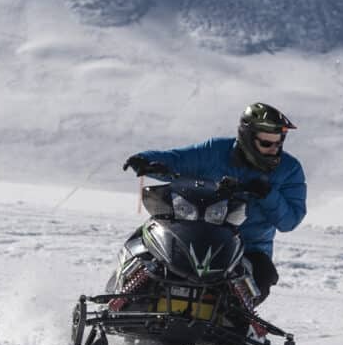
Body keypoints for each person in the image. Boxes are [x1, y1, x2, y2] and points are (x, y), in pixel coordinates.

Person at [123, 102, 306, 301]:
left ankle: (242, 325)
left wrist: (267, 195)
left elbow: (290, 221)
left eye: (278, 143)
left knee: (263, 275)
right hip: (195, 234)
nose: (273, 149)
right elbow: (178, 159)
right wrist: (144, 159)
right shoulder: (216, 151)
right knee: (145, 244)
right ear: (247, 136)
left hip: (248, 248)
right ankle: (120, 300)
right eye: (266, 143)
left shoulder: (290, 169)